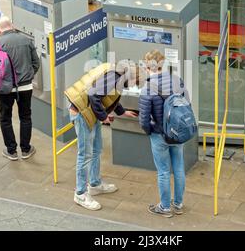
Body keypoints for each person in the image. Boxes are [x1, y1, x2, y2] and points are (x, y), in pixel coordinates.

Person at [64, 61, 146, 211]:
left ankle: (94, 184)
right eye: (136, 82)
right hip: (82, 113)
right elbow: (94, 96)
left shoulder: (117, 74)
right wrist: (104, 117)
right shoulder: (114, 77)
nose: (134, 85)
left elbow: (107, 96)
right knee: (85, 154)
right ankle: (80, 194)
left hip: (90, 111)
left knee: (96, 150)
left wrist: (122, 112)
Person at [138, 50, 189, 218]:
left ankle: (165, 207)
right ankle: (179, 204)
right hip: (177, 132)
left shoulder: (147, 88)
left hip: (159, 134)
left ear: (147, 66)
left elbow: (144, 120)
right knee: (179, 168)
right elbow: (186, 104)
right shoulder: (177, 81)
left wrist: (150, 132)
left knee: (163, 171)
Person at [0, 17, 40, 161]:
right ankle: (26, 149)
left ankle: (11, 150)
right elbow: (36, 63)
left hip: (5, 88)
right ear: (12, 26)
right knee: (25, 116)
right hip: (25, 86)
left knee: (5, 118)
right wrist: (29, 75)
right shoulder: (26, 40)